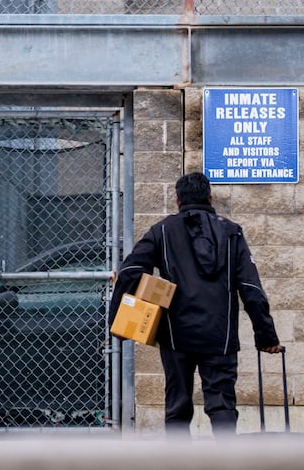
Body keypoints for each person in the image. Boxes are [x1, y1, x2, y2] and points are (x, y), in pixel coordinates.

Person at [111, 171, 282, 437]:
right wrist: (265, 336)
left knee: (177, 407)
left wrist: (119, 325)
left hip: (175, 336)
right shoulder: (231, 232)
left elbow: (129, 272)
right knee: (222, 405)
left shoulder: (162, 231)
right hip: (220, 337)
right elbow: (250, 288)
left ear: (178, 201)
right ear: (210, 199)